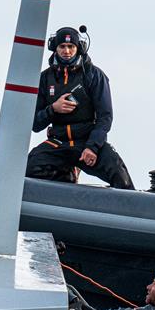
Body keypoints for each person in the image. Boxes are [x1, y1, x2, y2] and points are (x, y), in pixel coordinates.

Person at [25, 26, 134, 189]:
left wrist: (92, 147)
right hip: (58, 143)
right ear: (55, 48)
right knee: (30, 165)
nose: (66, 51)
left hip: (87, 142)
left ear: (79, 48)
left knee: (119, 173)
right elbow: (34, 124)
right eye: (62, 46)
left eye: (71, 47)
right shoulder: (45, 78)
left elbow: (105, 117)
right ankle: (67, 176)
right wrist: (53, 108)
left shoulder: (94, 75)